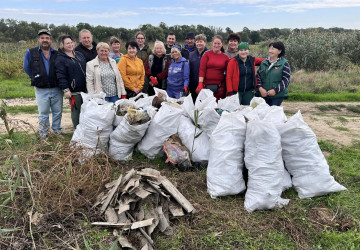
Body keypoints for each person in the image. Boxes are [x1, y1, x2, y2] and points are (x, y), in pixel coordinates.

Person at [23, 29, 63, 138]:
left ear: (51, 40)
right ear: (38, 39)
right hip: (41, 88)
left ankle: (57, 131)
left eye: (47, 38)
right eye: (42, 38)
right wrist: (36, 77)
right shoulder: (30, 52)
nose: (45, 40)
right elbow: (26, 67)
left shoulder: (57, 53)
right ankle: (44, 134)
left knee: (57, 112)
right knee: (43, 113)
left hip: (56, 88)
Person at [55, 35, 87, 128]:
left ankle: (85, 129)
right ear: (62, 45)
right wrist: (66, 89)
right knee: (76, 111)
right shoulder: (60, 58)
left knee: (85, 110)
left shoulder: (79, 54)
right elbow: (60, 75)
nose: (70, 45)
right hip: (74, 90)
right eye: (67, 43)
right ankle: (77, 129)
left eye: (71, 42)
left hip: (85, 89)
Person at [256, 41, 291, 106]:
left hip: (277, 96)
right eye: (270, 48)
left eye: (273, 49)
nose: (270, 51)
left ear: (279, 51)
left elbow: (286, 80)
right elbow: (258, 76)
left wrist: (275, 90)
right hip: (263, 95)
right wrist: (260, 89)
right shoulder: (264, 63)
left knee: (273, 114)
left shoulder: (284, 63)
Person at [196, 35, 229, 101]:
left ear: (222, 44)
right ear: (212, 44)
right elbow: (202, 70)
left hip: (220, 88)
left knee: (218, 107)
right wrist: (200, 83)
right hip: (206, 87)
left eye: (219, 43)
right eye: (215, 43)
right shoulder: (207, 55)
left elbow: (228, 72)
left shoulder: (225, 57)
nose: (216, 45)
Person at [188, 34, 208, 102]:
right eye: (197, 42)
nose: (199, 43)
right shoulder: (191, 54)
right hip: (193, 84)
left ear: (205, 42)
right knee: (194, 102)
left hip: (205, 84)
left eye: (201, 41)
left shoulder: (209, 53)